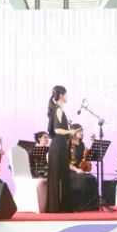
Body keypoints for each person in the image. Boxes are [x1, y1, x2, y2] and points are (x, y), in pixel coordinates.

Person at [46, 85, 75, 213]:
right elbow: (57, 130)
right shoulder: (58, 109)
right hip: (58, 147)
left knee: (61, 176)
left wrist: (69, 134)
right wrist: (70, 131)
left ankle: (61, 207)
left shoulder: (56, 109)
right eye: (66, 94)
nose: (67, 96)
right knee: (58, 177)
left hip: (60, 145)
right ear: (61, 95)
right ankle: (56, 208)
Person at [68, 123, 99, 211]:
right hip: (71, 170)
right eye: (79, 131)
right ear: (73, 132)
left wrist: (93, 143)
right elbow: (65, 162)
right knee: (82, 179)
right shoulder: (68, 144)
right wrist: (77, 170)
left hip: (80, 170)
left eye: (82, 131)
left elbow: (85, 157)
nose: (81, 133)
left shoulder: (82, 144)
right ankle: (79, 206)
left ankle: (91, 206)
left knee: (92, 178)